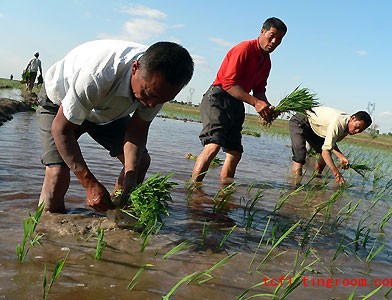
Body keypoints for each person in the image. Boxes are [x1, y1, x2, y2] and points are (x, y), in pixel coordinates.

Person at [36, 40, 194, 213]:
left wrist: (130, 178)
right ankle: (47, 229)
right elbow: (61, 129)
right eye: (149, 95)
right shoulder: (99, 75)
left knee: (139, 162)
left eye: (162, 100)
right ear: (135, 68)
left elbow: (137, 132)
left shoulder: (158, 89)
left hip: (105, 111)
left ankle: (114, 217)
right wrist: (89, 183)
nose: (151, 104)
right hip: (59, 102)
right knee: (57, 173)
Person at [191, 17, 287, 185]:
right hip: (218, 97)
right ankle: (193, 191)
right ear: (262, 32)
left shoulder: (266, 62)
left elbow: (259, 90)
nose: (274, 42)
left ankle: (224, 194)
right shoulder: (244, 49)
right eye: (271, 36)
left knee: (235, 152)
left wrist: (267, 106)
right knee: (213, 145)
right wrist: (255, 103)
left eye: (279, 39)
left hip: (237, 102)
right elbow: (229, 84)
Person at [289, 107, 372, 185]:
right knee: (300, 156)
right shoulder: (338, 123)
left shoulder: (348, 127)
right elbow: (326, 151)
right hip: (301, 121)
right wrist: (336, 173)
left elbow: (330, 143)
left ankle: (316, 179)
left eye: (360, 130)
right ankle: (295, 185)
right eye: (357, 127)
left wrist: (340, 156)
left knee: (323, 155)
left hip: (314, 128)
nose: (356, 131)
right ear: (353, 118)